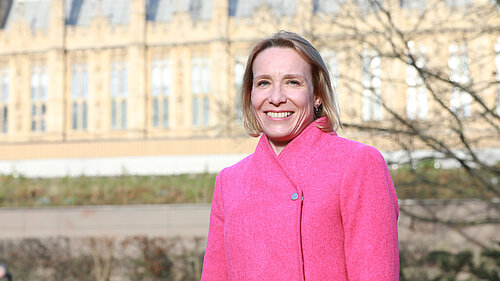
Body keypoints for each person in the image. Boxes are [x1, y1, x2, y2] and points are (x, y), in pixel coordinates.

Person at [201, 30, 399, 280]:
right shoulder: (229, 182)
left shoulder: (358, 163)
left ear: (316, 95)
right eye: (263, 83)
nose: (276, 98)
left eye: (292, 82)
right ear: (250, 95)